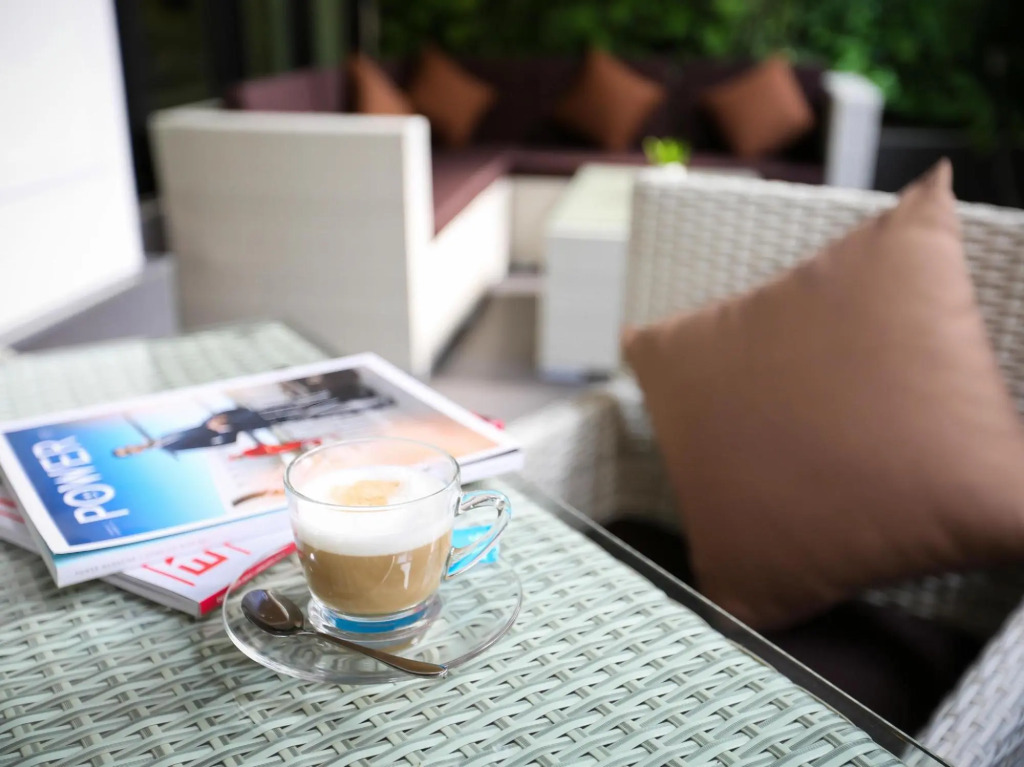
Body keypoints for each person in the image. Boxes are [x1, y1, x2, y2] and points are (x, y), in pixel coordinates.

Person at [113, 370, 393, 458]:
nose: (133, 448)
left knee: (301, 405)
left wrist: (217, 419)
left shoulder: (165, 436)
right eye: (130, 452)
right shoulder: (172, 448)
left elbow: (203, 425)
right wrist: (223, 429)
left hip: (244, 414)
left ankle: (351, 393)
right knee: (304, 413)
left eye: (128, 447)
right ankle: (360, 401)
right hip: (248, 424)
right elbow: (215, 441)